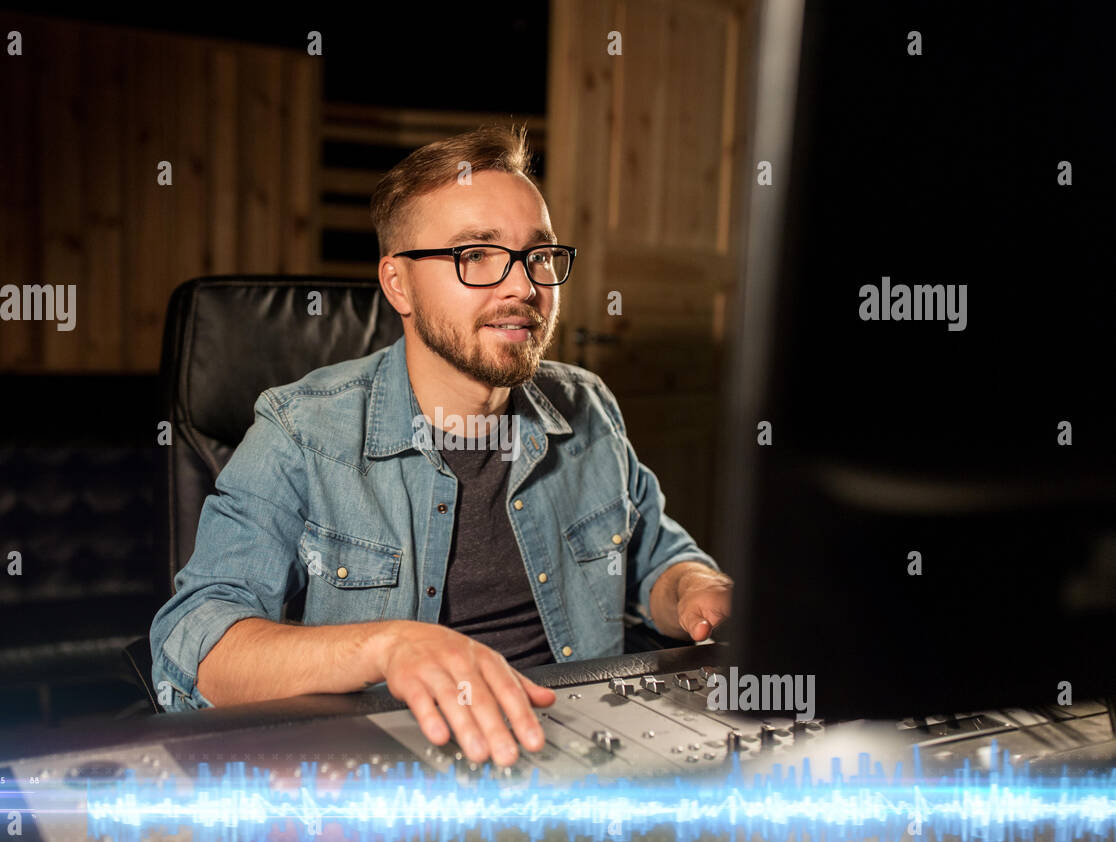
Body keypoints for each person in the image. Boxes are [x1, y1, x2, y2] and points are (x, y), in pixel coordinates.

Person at [150, 123, 733, 767]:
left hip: (584, 751)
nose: (523, 287)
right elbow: (197, 645)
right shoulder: (301, 431)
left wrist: (692, 589)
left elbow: (655, 562)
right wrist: (387, 648)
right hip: (397, 770)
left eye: (538, 255)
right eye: (475, 254)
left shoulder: (587, 406)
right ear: (397, 284)